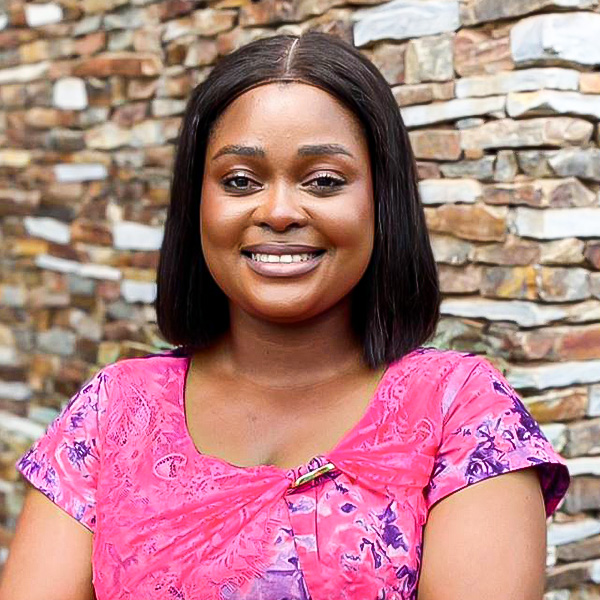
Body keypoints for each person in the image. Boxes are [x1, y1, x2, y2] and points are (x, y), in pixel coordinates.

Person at [0, 31, 569, 600]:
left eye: (324, 181)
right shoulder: (114, 411)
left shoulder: (461, 411)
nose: (278, 211)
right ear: (197, 203)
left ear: (381, 200)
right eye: (239, 181)